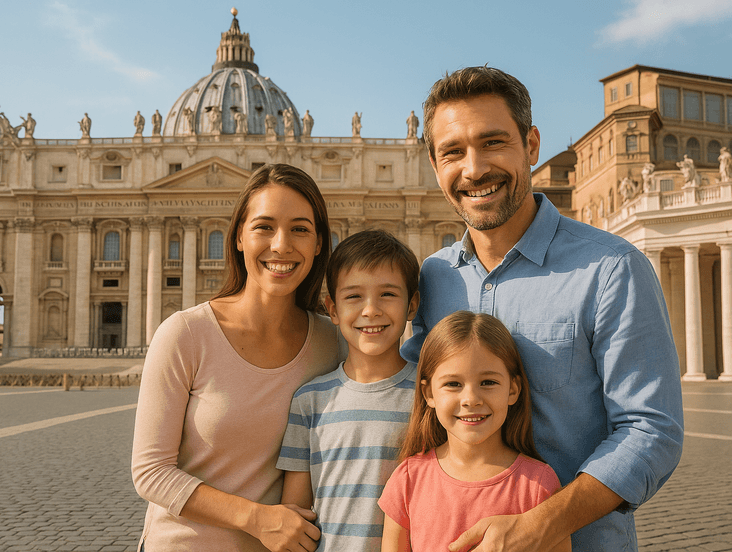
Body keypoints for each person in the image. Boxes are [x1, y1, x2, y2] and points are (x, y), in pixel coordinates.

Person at [401, 66, 683, 551]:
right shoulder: (433, 278)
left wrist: (541, 525)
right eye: (453, 152)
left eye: (493, 143)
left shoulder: (612, 268)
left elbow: (650, 429)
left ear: (531, 145)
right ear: (434, 164)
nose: (473, 169)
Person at [132, 164, 345, 552]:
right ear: (239, 238)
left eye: (300, 228)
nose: (281, 245)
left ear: (319, 243)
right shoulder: (184, 334)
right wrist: (257, 518)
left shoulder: (334, 342)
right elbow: (151, 472)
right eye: (264, 226)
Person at [277, 229, 420, 552]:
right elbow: (295, 514)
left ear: (412, 305)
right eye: (354, 296)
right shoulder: (309, 401)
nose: (371, 310)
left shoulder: (430, 398)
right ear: (333, 310)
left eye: (387, 294)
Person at [380, 311, 571, 552]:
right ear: (429, 394)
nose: (470, 399)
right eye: (453, 384)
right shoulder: (407, 480)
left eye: (488, 382)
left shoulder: (539, 485)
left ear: (513, 390)